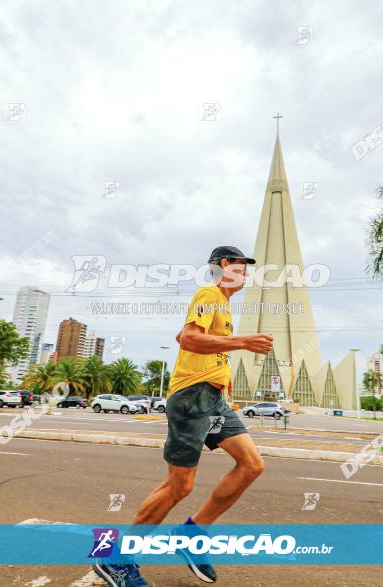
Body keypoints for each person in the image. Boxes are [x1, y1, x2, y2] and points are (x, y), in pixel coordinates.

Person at [93, 246, 274, 586]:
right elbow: (189, 338)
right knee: (179, 486)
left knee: (252, 464)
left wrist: (222, 372)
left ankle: (192, 534)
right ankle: (116, 558)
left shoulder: (222, 304)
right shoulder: (208, 292)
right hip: (192, 396)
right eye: (241, 266)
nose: (246, 273)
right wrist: (244, 342)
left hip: (212, 397)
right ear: (224, 265)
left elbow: (195, 340)